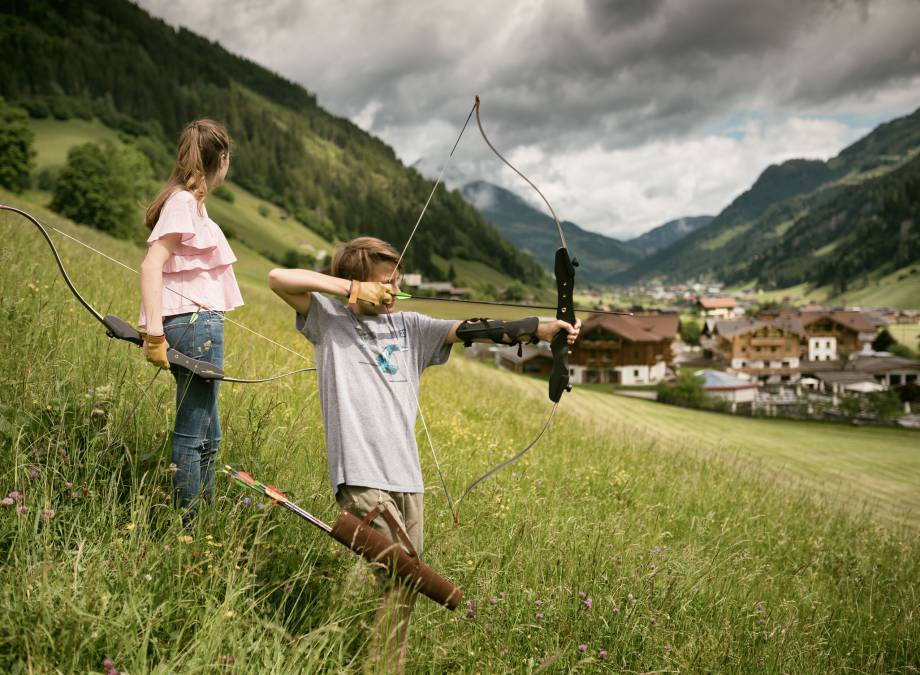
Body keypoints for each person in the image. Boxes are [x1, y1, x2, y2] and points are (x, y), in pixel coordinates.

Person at [267, 236, 580, 671]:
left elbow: (470, 329)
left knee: (402, 584)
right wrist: (352, 292)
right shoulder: (328, 319)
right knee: (405, 572)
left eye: (397, 280)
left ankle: (359, 653)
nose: (394, 290)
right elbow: (278, 278)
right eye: (384, 282)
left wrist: (541, 329)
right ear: (358, 283)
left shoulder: (410, 326)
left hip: (408, 481)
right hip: (361, 477)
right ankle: (366, 660)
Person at [139, 119, 242, 525]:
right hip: (194, 326)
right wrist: (153, 335)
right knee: (192, 433)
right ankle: (190, 528)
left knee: (209, 436)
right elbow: (152, 264)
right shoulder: (183, 202)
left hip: (196, 324)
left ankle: (204, 520)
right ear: (222, 160)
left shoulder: (191, 203)